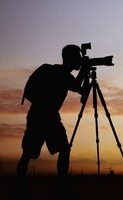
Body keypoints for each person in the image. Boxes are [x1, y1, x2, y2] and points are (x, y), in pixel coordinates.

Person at [15, 44, 87, 197]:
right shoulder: (54, 72)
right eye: (77, 58)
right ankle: (20, 189)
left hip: (49, 117)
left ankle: (60, 187)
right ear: (70, 58)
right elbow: (76, 85)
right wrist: (84, 71)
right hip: (40, 116)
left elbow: (80, 88)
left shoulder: (62, 75)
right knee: (29, 153)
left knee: (62, 149)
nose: (79, 61)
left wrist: (85, 72)